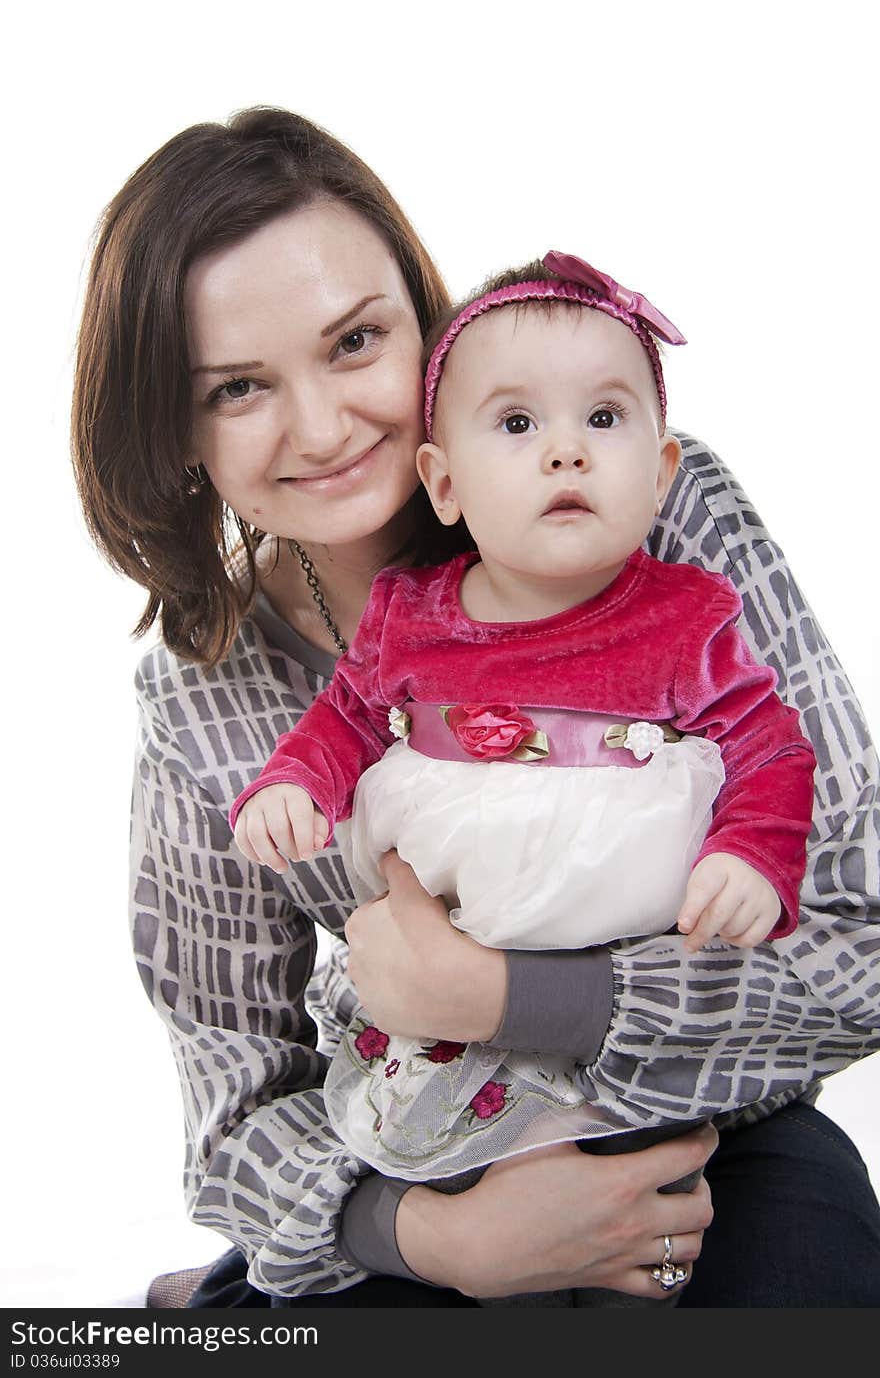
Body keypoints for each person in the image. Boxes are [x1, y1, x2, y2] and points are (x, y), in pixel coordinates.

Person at [71, 106, 880, 1307]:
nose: (324, 426)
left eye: (355, 343)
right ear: (176, 429)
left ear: (426, 322)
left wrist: (510, 997)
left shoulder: (645, 510)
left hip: (699, 1128)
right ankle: (217, 1295)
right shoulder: (208, 690)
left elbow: (856, 937)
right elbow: (234, 1090)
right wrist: (438, 1239)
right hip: (425, 1154)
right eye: (238, 387)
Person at [230, 250, 816, 1186]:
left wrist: (754, 852)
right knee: (447, 1158)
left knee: (648, 1183)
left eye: (605, 417)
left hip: (613, 962)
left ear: (662, 471)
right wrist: (295, 780)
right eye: (516, 422)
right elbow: (345, 717)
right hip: (449, 953)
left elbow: (769, 745)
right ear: (445, 482)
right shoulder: (409, 613)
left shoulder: (684, 614)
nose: (566, 449)